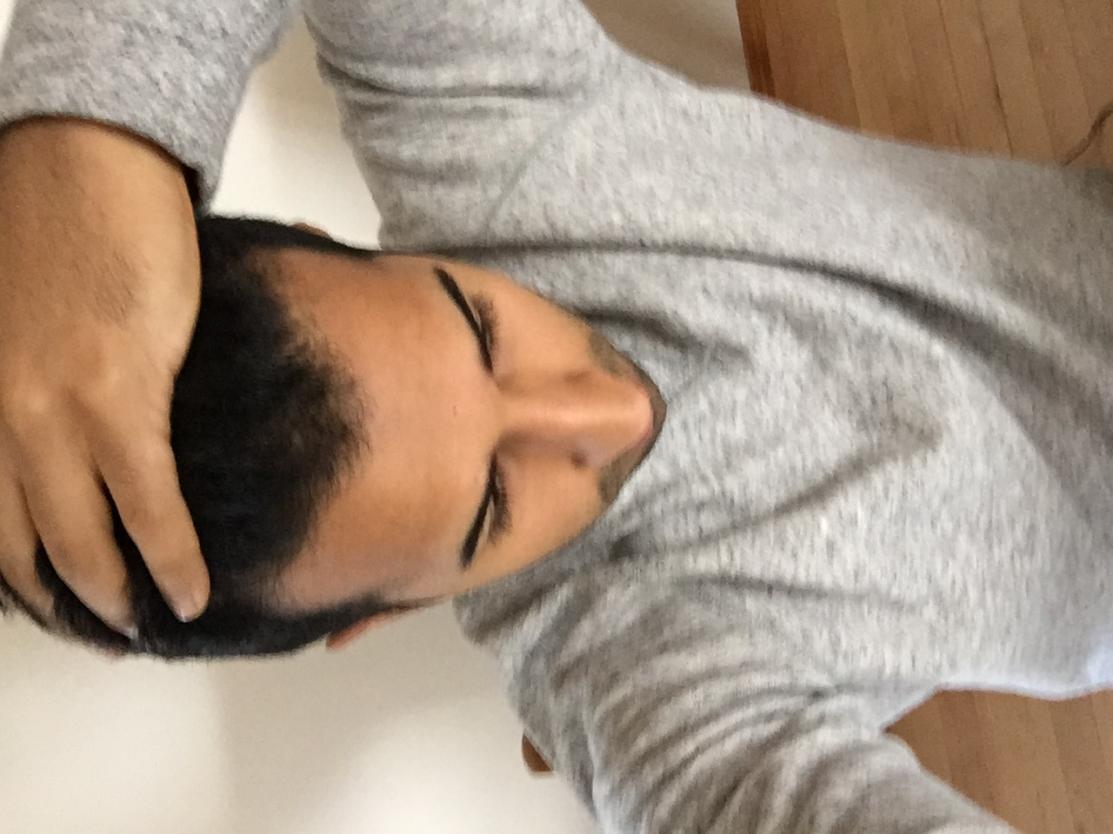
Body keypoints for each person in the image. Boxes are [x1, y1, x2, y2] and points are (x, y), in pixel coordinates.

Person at [0, 0, 1111, 831]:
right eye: (494, 501)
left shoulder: (488, 143)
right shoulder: (629, 672)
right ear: (386, 614)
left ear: (354, 247)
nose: (612, 410)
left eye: (482, 328)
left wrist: (85, 128)